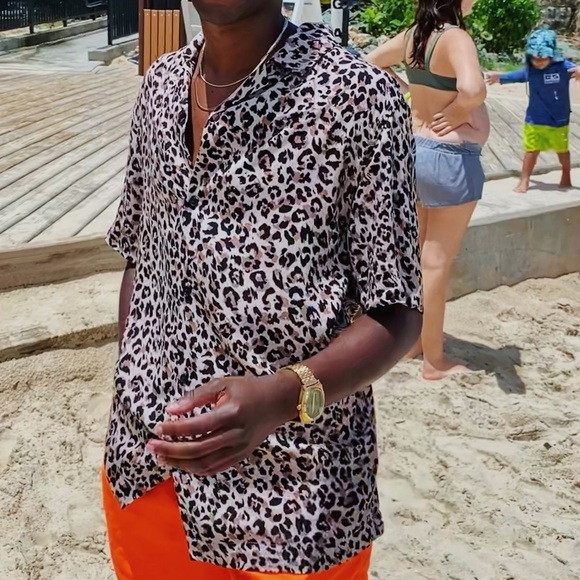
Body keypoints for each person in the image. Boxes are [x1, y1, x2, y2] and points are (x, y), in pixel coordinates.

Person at [103, 1, 423, 578]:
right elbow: (139, 256)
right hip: (151, 467)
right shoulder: (160, 88)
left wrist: (281, 398)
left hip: (293, 494)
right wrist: (137, 373)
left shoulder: (358, 97)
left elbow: (397, 309)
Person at [365, 0, 489, 381]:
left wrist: (407, 91)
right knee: (435, 262)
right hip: (449, 158)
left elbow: (369, 63)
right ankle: (434, 361)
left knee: (417, 257)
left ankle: (413, 344)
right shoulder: (455, 38)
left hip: (414, 151)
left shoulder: (413, 36)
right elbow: (473, 90)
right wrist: (457, 112)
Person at [487, 28, 579, 193]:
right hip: (535, 118)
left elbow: (577, 70)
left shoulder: (563, 67)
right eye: (535, 59)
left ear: (552, 55)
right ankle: (524, 179)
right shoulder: (531, 70)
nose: (538, 62)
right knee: (531, 150)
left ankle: (566, 175)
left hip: (559, 119)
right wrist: (499, 77)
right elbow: (516, 75)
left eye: (542, 59)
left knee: (562, 150)